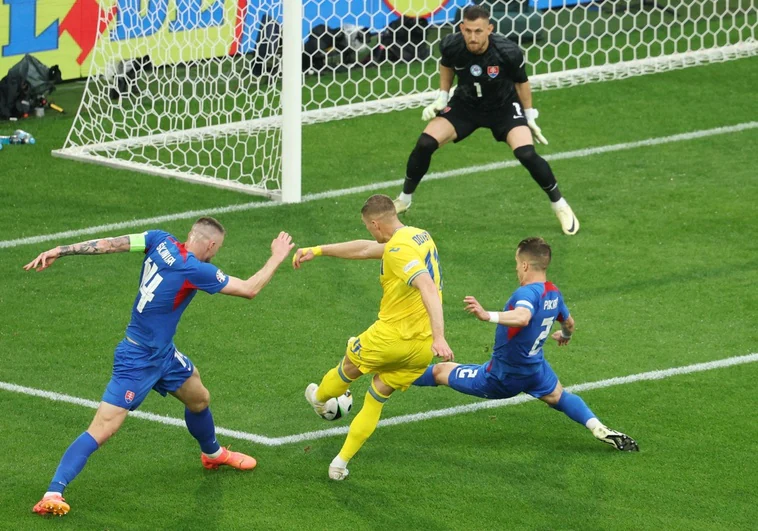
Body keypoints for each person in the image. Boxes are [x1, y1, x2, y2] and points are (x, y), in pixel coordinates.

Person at [24, 218, 295, 516]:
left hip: (163, 354)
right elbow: (249, 289)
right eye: (217, 250)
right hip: (136, 360)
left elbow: (110, 244)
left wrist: (61, 250)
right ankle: (53, 492)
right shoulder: (194, 269)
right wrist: (276, 257)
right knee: (104, 427)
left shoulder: (158, 239)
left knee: (199, 397)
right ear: (212, 245)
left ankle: (213, 453)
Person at [413, 237, 638, 451]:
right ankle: (597, 427)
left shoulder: (527, 292)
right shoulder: (553, 292)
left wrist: (486, 315)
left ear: (525, 265)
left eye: (516, 264)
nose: (516, 269)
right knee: (558, 396)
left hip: (502, 376)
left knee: (440, 372)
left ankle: (391, 375)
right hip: (534, 369)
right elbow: (569, 322)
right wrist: (565, 336)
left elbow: (522, 317)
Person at [292, 194, 454, 480]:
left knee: (348, 368)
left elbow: (426, 285)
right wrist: (318, 250)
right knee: (377, 395)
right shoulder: (418, 236)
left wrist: (441, 336)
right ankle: (339, 464)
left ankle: (320, 398)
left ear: (376, 223)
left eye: (368, 226)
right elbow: (365, 249)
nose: (369, 232)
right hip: (420, 348)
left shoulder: (397, 251)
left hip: (391, 338)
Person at [393, 5, 580, 236]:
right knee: (425, 143)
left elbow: (522, 82)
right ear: (462, 28)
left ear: (489, 29)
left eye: (478, 31)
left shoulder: (508, 51)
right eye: (468, 30)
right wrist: (442, 96)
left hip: (503, 107)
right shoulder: (452, 44)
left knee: (526, 153)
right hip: (466, 105)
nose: (473, 37)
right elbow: (446, 65)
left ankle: (560, 205)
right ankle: (404, 199)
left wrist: (529, 115)